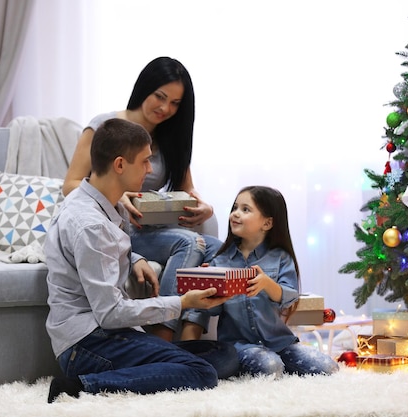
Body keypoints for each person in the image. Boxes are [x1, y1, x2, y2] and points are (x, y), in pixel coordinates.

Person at [45, 118, 238, 403]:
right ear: (120, 165)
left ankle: (159, 369)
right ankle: (81, 386)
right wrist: (184, 303)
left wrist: (133, 257)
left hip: (107, 335)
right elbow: (110, 314)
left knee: (224, 354)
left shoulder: (106, 204)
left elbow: (96, 252)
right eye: (145, 162)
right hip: (87, 344)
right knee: (203, 372)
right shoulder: (90, 224)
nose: (150, 171)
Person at [63, 57, 220, 341]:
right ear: (144, 88)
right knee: (188, 242)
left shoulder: (171, 137)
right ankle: (162, 336)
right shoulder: (105, 127)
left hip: (155, 228)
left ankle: (192, 334)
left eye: (175, 103)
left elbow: (188, 188)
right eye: (160, 97)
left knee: (218, 250)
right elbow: (70, 185)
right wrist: (117, 196)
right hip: (120, 227)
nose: (165, 108)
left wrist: (204, 206)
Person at [187, 186, 339, 377]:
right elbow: (214, 310)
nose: (235, 214)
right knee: (270, 366)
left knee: (328, 367)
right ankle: (268, 366)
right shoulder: (220, 261)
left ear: (267, 223)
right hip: (240, 346)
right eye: (235, 208)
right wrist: (208, 288)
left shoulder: (280, 258)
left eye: (245, 209)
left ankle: (282, 365)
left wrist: (268, 285)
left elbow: (290, 297)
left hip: (281, 343)